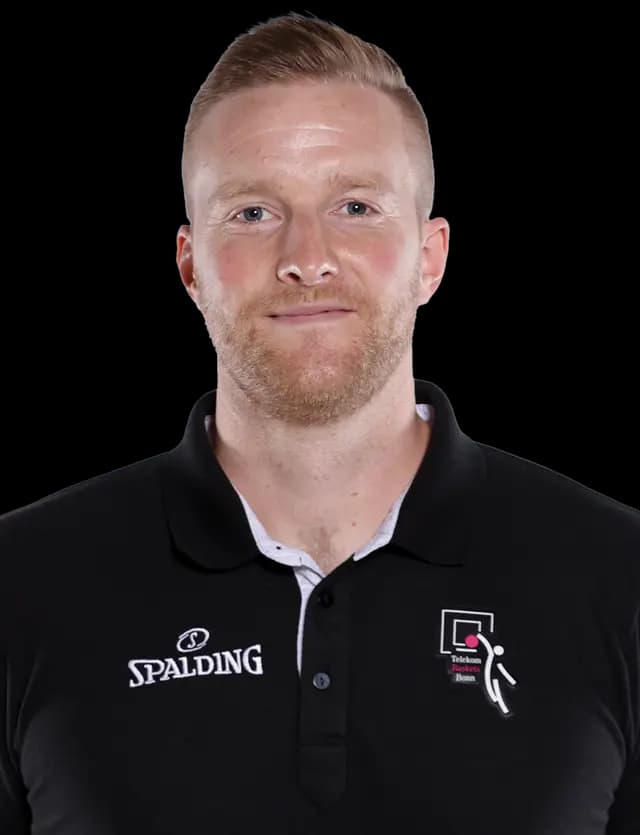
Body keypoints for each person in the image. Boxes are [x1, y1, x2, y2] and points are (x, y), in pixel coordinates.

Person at [0, 11, 638, 834]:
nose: (307, 257)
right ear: (191, 266)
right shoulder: (21, 580)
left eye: (356, 206)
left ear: (431, 257)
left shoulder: (617, 574)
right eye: (253, 213)